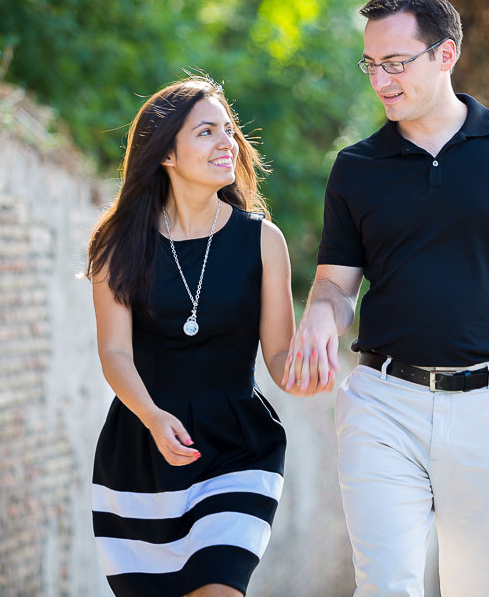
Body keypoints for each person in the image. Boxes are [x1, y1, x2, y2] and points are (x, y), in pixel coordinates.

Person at [283, 0, 489, 596]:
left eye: (396, 63)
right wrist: (321, 320)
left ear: (446, 54)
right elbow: (334, 285)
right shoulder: (356, 168)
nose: (380, 80)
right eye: (371, 64)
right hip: (383, 402)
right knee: (386, 586)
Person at [87, 76, 296, 597]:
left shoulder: (263, 240)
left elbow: (279, 355)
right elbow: (114, 352)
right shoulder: (119, 245)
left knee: (220, 587)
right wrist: (155, 418)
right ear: (166, 155)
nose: (227, 142)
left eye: (228, 130)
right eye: (206, 132)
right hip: (143, 448)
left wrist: (312, 360)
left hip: (238, 447)